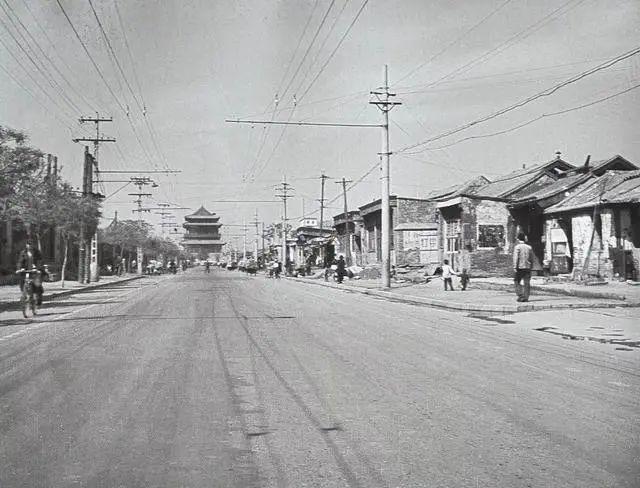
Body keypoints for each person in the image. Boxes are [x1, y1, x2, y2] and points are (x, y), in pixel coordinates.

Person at [513, 232, 533, 302]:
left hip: (520, 267)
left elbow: (516, 258)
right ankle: (526, 297)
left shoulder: (517, 247)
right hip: (527, 267)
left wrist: (515, 267)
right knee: (527, 282)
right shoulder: (529, 247)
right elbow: (531, 258)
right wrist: (531, 266)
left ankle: (520, 295)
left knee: (516, 281)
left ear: (518, 239)